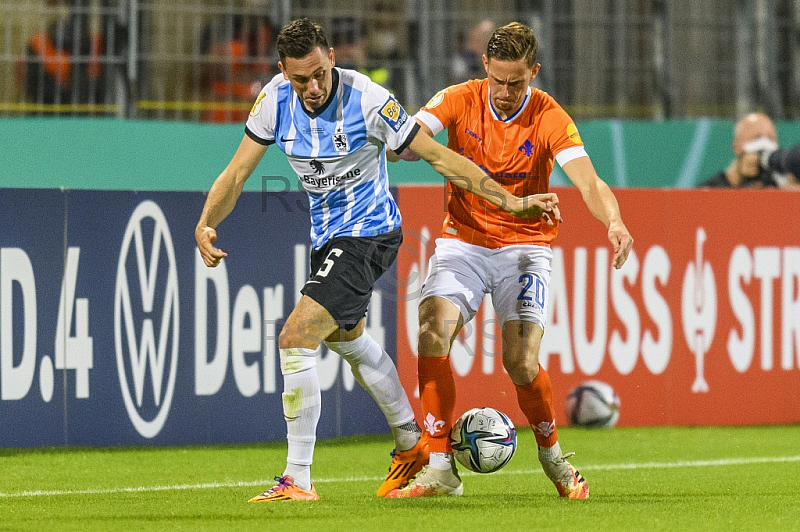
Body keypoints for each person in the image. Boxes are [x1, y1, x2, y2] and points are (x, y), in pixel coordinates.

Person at [195, 18, 559, 503]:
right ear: (283, 71)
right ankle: (411, 441)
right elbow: (237, 172)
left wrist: (510, 202)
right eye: (300, 78)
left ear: (332, 60)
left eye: (321, 73)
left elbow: (439, 156)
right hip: (328, 239)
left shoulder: (367, 99)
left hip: (369, 233)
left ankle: (296, 479)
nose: (313, 86)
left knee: (295, 337)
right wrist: (205, 222)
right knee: (348, 341)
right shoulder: (273, 101)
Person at [385, 22, 633, 499]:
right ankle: (440, 467)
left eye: (515, 82)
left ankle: (554, 459)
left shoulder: (548, 116)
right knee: (431, 329)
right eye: (497, 80)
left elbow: (588, 181)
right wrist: (401, 145)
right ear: (485, 67)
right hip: (464, 241)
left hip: (525, 247)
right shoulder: (459, 97)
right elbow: (412, 139)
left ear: (534, 73)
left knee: (520, 361)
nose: (503, 91)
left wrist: (614, 222)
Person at [699, 112, 800, 189]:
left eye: (770, 138)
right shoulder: (710, 190)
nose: (764, 144)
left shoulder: (782, 185)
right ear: (737, 147)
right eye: (756, 138)